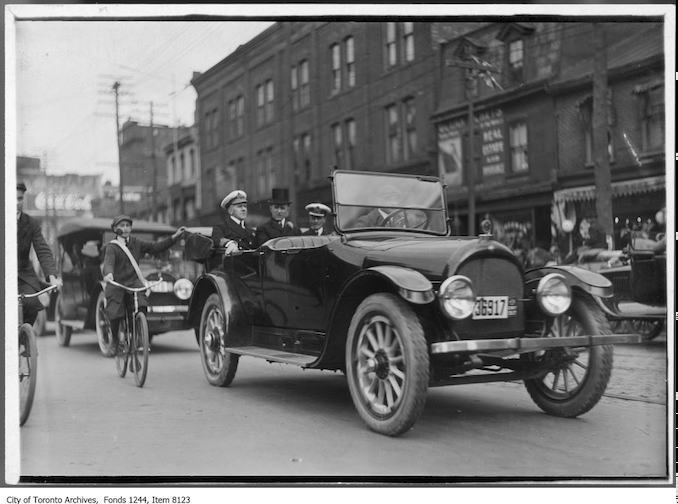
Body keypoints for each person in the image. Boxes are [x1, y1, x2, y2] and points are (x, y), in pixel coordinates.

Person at [102, 215, 185, 344]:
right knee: (115, 312)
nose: (125, 229)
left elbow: (156, 247)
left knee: (142, 305)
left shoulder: (136, 243)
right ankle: (115, 340)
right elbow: (108, 263)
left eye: (128, 226)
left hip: (133, 282)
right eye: (122, 226)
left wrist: (174, 237)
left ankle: (138, 332)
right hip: (117, 283)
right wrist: (109, 274)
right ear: (115, 229)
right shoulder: (111, 247)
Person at [17, 182, 62, 325]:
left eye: (19, 198)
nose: (16, 203)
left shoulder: (31, 223)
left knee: (31, 304)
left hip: (23, 275)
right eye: (13, 198)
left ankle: (23, 338)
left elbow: (42, 250)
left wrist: (52, 277)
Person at [212, 189, 257, 255]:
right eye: (239, 207)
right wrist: (230, 243)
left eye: (245, 206)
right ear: (230, 210)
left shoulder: (250, 230)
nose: (243, 209)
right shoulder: (221, 228)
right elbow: (217, 240)